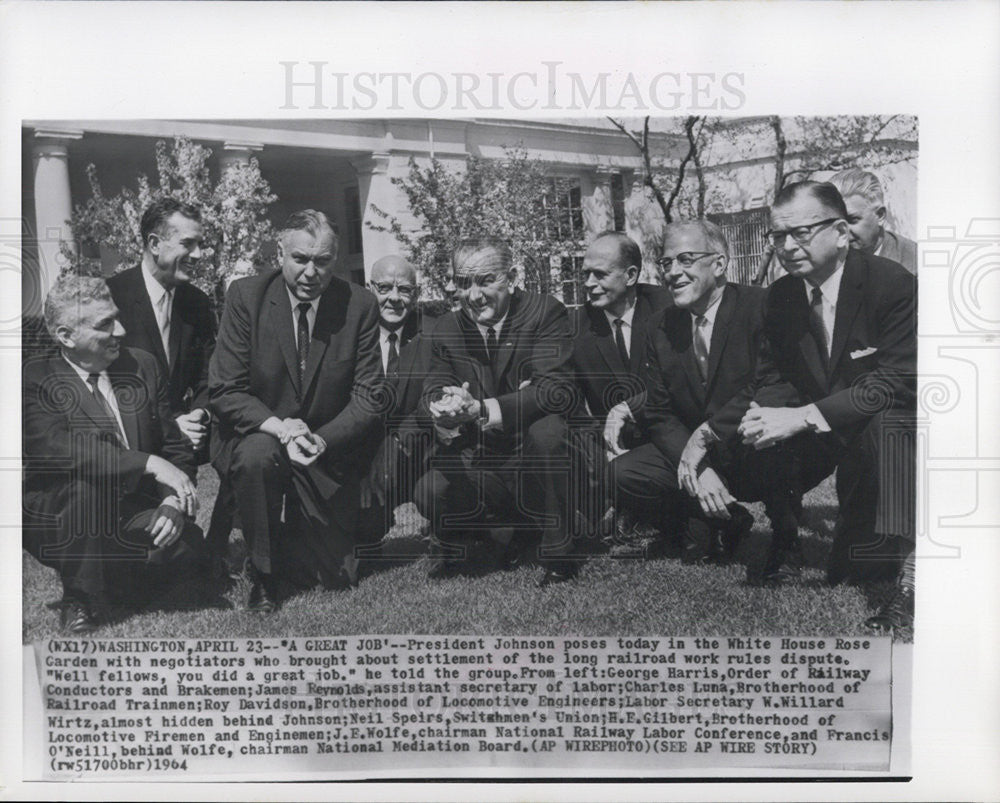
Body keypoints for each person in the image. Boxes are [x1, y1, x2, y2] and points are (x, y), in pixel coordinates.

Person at [739, 181, 916, 630]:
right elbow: (775, 373)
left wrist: (800, 417)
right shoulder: (781, 296)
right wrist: (765, 416)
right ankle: (786, 544)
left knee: (857, 568)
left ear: (840, 232)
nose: (785, 246)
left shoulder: (890, 283)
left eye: (799, 232)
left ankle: (912, 577)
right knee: (760, 432)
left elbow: (894, 382)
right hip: (828, 427)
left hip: (888, 430)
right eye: (777, 236)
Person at [208, 210, 382, 612]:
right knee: (256, 456)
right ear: (279, 255)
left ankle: (286, 536)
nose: (310, 272)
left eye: (322, 261)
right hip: (260, 434)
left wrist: (320, 439)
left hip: (321, 447)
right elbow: (225, 388)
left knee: (337, 577)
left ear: (334, 260)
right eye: (300, 259)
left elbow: (368, 397)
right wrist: (281, 430)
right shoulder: (246, 297)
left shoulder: (359, 305)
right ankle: (265, 577)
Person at [23, 276, 207, 633]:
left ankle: (111, 578)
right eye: (105, 324)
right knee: (85, 484)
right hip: (63, 513)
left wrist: (171, 501)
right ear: (66, 336)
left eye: (117, 318)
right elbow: (59, 448)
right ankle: (79, 598)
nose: (121, 331)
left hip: (130, 510)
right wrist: (148, 463)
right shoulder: (35, 378)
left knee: (189, 552)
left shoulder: (141, 366)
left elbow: (174, 446)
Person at [606, 221, 787, 566]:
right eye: (666, 263)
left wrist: (708, 436)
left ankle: (786, 539)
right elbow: (658, 410)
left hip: (748, 441)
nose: (672, 272)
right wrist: (698, 465)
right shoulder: (661, 325)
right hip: (696, 450)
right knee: (624, 472)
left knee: (776, 438)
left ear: (719, 265)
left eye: (685, 260)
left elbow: (771, 383)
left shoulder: (760, 307)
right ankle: (723, 518)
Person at [412, 237, 578, 586]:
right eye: (463, 283)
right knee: (430, 490)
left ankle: (559, 555)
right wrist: (444, 406)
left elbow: (554, 390)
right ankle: (502, 532)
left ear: (512, 277)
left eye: (486, 280)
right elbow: (432, 387)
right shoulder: (446, 328)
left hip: (531, 454)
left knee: (548, 432)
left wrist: (482, 409)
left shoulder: (545, 311)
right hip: (482, 457)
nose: (474, 295)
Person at [569, 232, 673, 548]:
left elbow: (677, 386)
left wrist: (631, 409)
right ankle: (627, 508)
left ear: (630, 275)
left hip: (670, 437)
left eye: (599, 274)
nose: (588, 283)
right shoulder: (576, 325)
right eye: (584, 273)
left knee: (693, 537)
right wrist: (599, 445)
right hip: (610, 446)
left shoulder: (667, 309)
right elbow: (570, 397)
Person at [357, 255, 436, 550]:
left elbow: (435, 396)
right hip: (369, 462)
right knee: (361, 530)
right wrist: (362, 470)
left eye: (403, 289)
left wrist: (399, 438)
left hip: (422, 452)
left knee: (438, 492)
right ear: (369, 288)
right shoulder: (351, 336)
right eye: (384, 287)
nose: (394, 298)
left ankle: (445, 525)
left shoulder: (435, 333)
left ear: (415, 293)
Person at [827, 168, 917, 274]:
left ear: (880, 215)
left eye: (852, 220)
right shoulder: (824, 259)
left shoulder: (914, 265)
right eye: (834, 222)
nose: (842, 231)